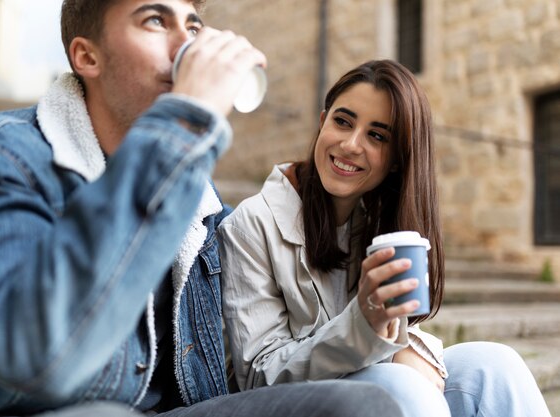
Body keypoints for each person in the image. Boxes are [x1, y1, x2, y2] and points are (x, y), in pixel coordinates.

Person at [0, 1, 409, 417]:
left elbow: (267, 346)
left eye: (195, 26)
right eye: (156, 20)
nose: (188, 46)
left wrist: (387, 335)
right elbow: (34, 358)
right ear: (87, 56)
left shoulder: (199, 204)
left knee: (371, 404)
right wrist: (185, 123)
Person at [219, 59, 552, 417]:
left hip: (361, 385)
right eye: (343, 121)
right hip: (291, 406)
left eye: (377, 136)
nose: (350, 144)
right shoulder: (251, 224)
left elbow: (389, 338)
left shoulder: (373, 223)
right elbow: (257, 375)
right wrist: (369, 329)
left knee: (493, 364)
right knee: (402, 386)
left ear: (396, 160)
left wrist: (405, 345)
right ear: (322, 122)